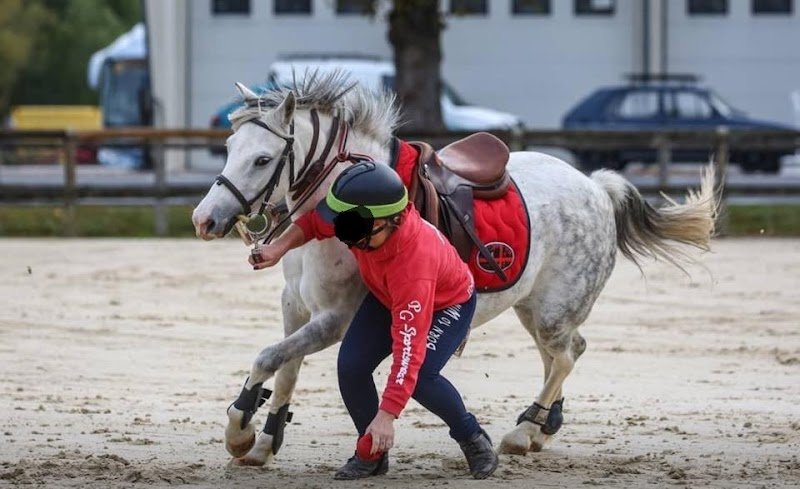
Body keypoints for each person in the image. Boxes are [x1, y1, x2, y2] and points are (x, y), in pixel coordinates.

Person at [249, 162, 498, 480]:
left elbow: (408, 351)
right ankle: (373, 455)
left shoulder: (413, 263)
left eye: (356, 231)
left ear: (390, 220)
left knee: (421, 378)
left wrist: (386, 416)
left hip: (445, 303)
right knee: (351, 366)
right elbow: (314, 223)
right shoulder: (359, 219)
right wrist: (277, 249)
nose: (348, 239)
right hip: (386, 296)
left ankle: (473, 438)